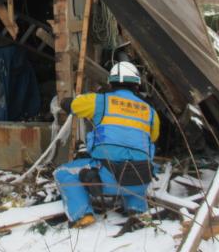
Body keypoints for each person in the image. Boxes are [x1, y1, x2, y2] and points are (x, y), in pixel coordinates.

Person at [53, 61, 160, 228]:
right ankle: (137, 210)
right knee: (136, 163)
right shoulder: (151, 112)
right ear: (137, 86)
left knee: (62, 172)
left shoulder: (100, 101)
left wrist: (65, 102)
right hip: (140, 181)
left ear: (110, 83)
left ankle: (82, 214)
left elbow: (72, 105)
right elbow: (153, 138)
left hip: (108, 180)